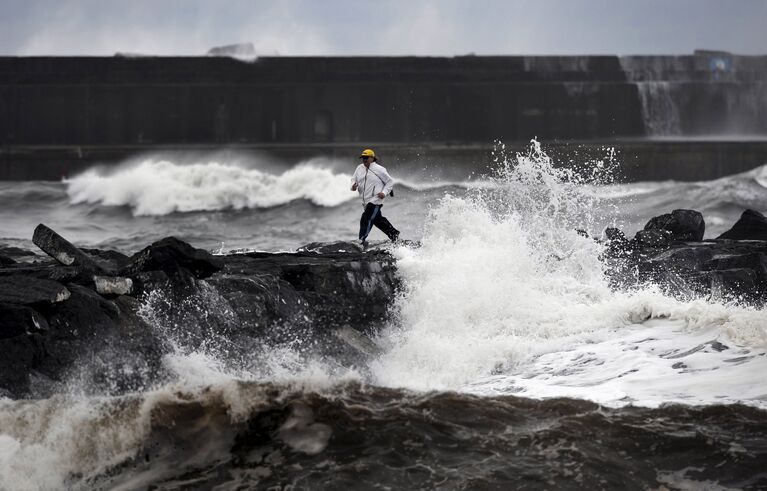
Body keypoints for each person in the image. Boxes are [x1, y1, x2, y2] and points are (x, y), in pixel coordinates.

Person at [351, 149, 400, 245]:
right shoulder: (359, 168)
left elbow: (389, 182)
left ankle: (361, 241)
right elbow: (353, 179)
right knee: (378, 220)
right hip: (365, 201)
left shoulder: (380, 169)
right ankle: (394, 234)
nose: (364, 160)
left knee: (366, 218)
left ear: (372, 158)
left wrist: (384, 193)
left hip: (376, 199)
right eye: (363, 158)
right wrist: (353, 185)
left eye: (366, 158)